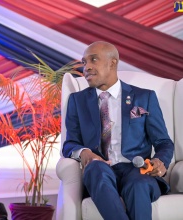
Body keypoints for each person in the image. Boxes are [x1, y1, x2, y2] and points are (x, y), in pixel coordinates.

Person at [62, 41, 174, 220]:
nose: (87, 67)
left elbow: (163, 142)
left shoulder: (144, 97)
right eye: (84, 62)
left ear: (112, 62)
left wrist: (159, 161)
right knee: (95, 169)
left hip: (136, 170)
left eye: (94, 60)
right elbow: (70, 144)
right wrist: (84, 153)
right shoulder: (77, 101)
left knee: (138, 185)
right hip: (100, 170)